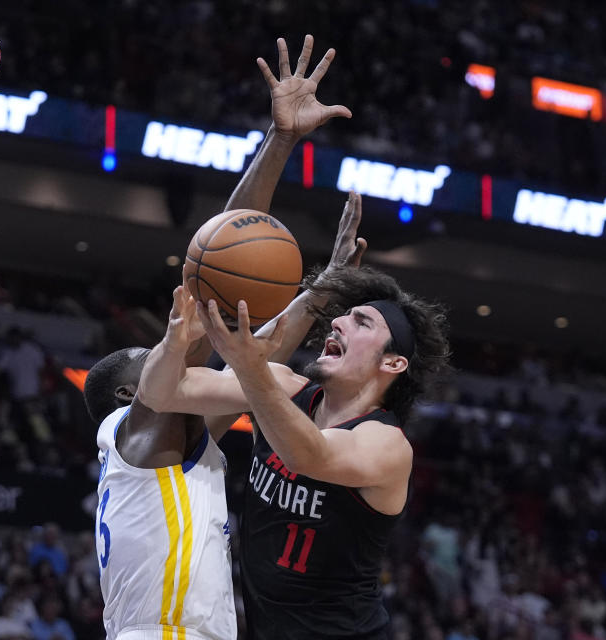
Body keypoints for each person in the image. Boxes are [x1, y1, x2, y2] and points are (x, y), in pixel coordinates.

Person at [139, 36, 451, 639]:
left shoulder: (386, 447)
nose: (337, 322)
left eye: (361, 322)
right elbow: (162, 391)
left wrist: (249, 366)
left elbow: (310, 454)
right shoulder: (285, 383)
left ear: (393, 364)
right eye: (342, 314)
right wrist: (187, 335)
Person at [84, 34, 355, 640]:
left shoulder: (172, 450)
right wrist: (280, 141)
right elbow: (218, 263)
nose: (180, 355)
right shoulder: (142, 432)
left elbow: (250, 361)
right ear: (133, 396)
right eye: (153, 355)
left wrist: (326, 289)